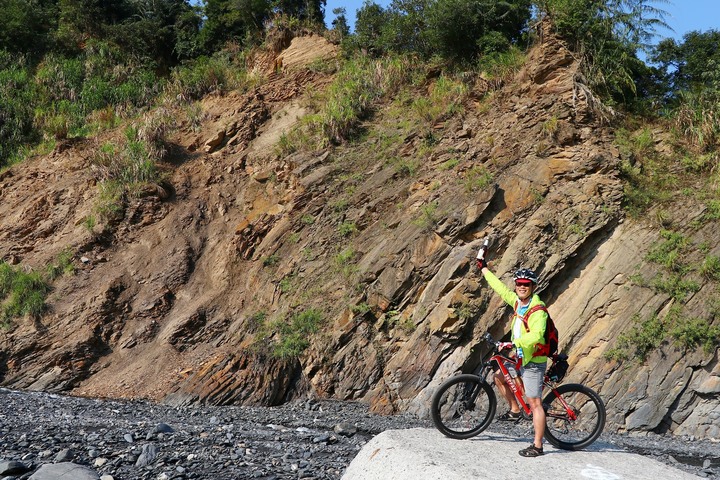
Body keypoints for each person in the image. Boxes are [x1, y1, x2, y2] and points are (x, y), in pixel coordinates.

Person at [477, 259, 548, 458]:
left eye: (526, 284)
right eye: (519, 284)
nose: (522, 287)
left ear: (533, 287)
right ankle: (515, 410)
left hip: (533, 361)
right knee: (498, 376)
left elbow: (537, 336)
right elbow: (499, 288)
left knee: (535, 404)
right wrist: (484, 269)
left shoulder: (538, 310)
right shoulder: (517, 302)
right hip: (520, 356)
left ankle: (538, 446)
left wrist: (514, 343)